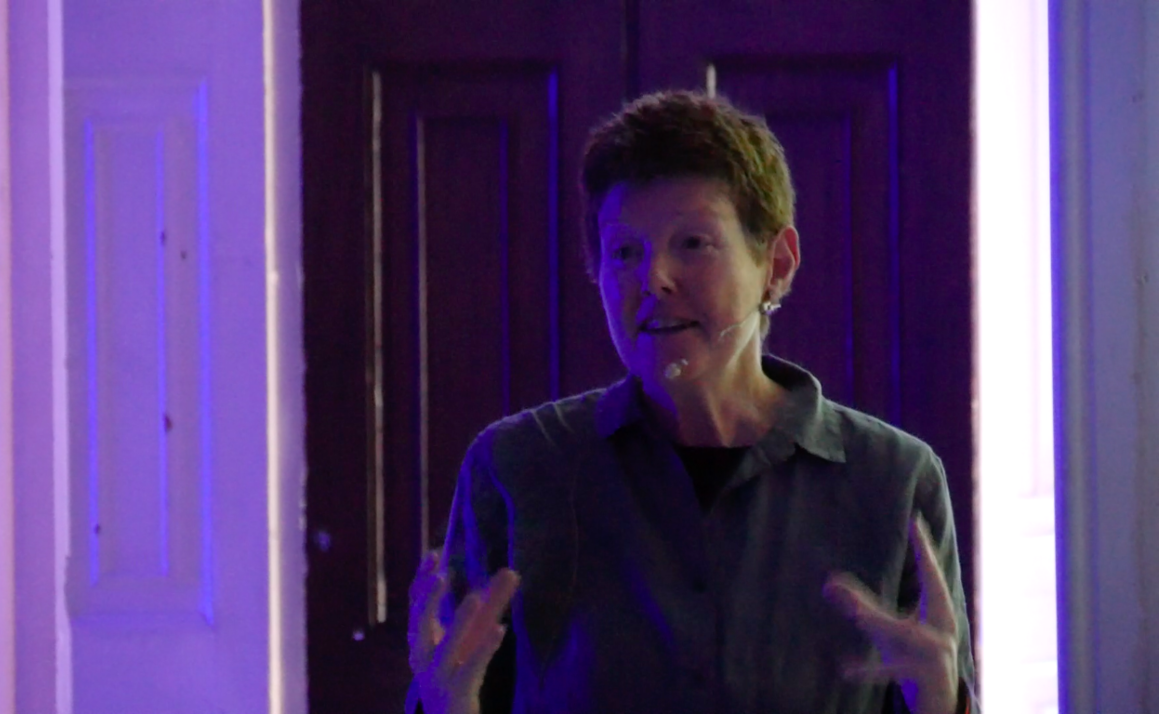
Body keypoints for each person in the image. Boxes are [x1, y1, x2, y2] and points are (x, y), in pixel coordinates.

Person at [405, 89, 978, 714]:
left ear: (777, 265)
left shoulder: (893, 479)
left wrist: (941, 702)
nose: (654, 279)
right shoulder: (518, 468)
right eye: (625, 252)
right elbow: (456, 686)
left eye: (693, 243)